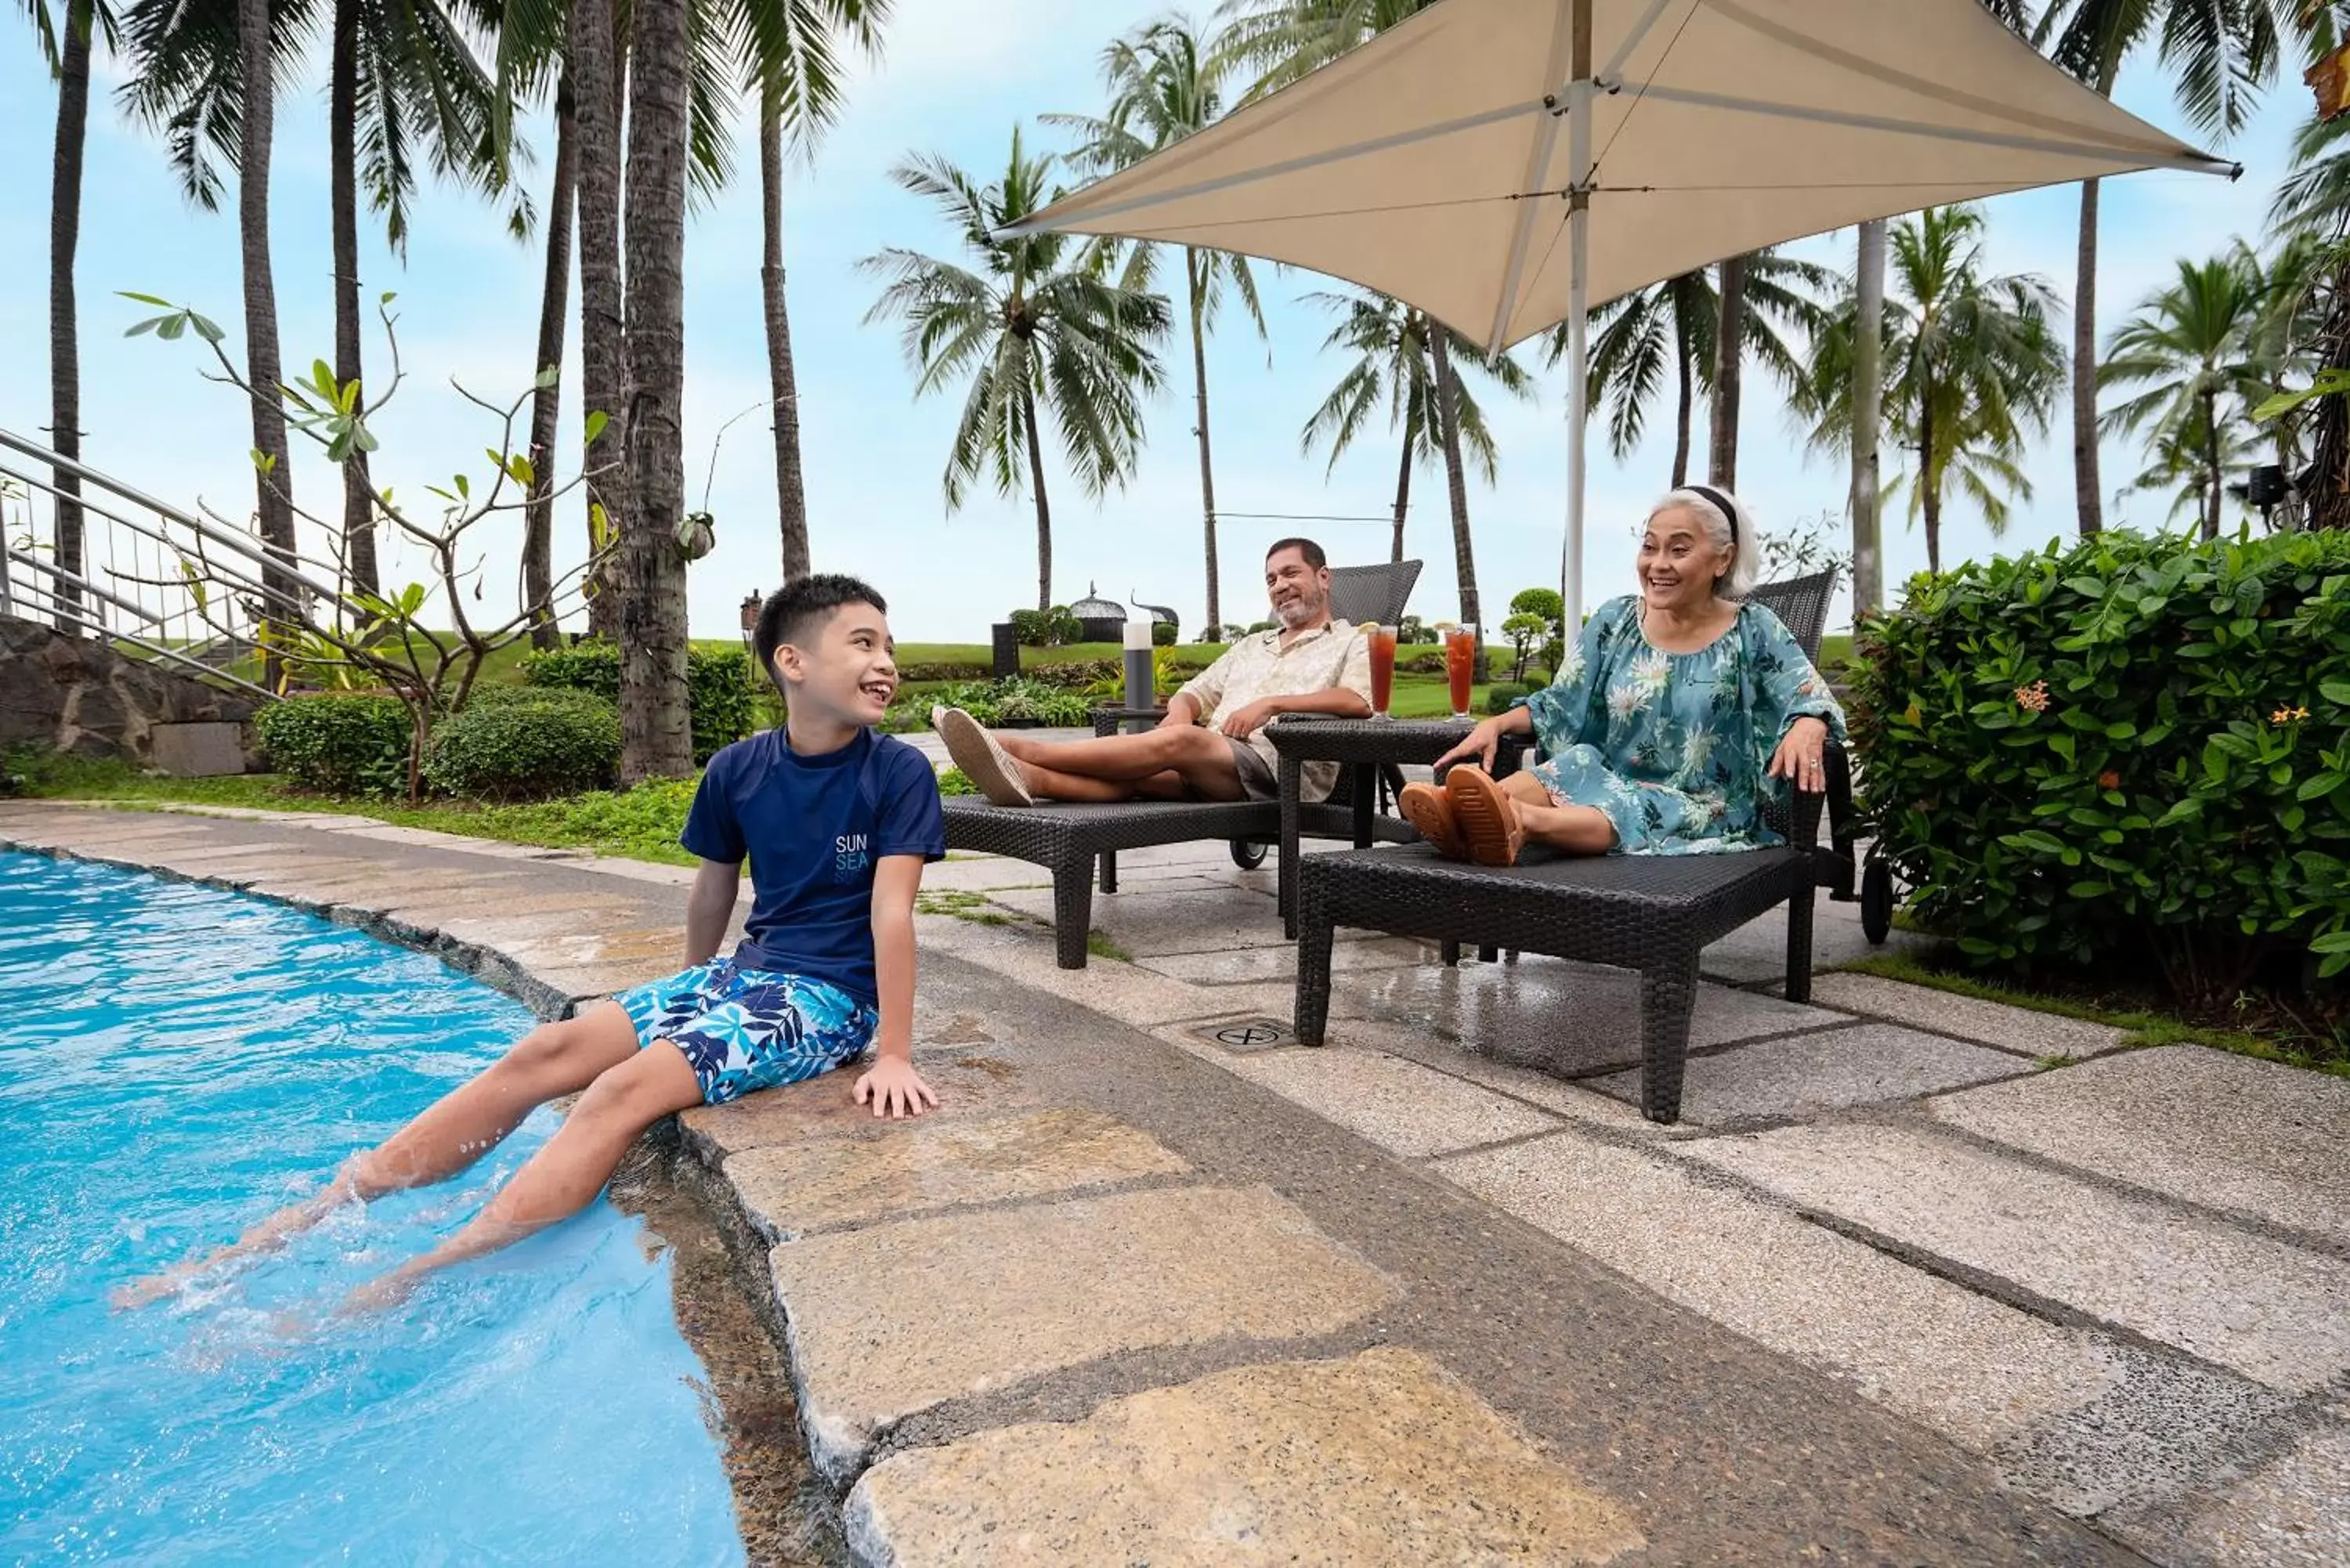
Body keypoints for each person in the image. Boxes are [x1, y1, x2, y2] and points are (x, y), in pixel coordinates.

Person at [118, 575, 944, 1316]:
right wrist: (694, 983)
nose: (886, 663)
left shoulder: (896, 772)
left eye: (890, 646)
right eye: (863, 642)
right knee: (547, 1046)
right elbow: (714, 888)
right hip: (741, 977)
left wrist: (894, 1053)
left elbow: (891, 916)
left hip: (829, 998)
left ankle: (427, 1270)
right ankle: (321, 1209)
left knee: (618, 1091)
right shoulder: (739, 768)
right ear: (793, 661)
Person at [1405, 486, 1844, 866]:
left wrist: (1810, 721)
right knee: (1574, 764)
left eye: (1679, 549)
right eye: (1650, 547)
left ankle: (1518, 821)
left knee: (1635, 802)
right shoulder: (1616, 620)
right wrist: (1497, 723)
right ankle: (1464, 812)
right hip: (1606, 778)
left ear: (1722, 560)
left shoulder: (1754, 629)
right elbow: (1562, 702)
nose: (1658, 564)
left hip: (1700, 805)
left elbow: (1809, 694)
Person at [934, 538, 1373, 807]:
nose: (1279, 586)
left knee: (1179, 741)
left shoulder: (1353, 641)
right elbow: (1192, 694)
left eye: (1290, 573)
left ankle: (1017, 748)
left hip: (1279, 768)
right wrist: (1180, 714)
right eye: (1271, 579)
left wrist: (1271, 704)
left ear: (1323, 577)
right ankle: (1029, 778)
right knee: (1134, 776)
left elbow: (1361, 702)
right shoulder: (1250, 646)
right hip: (1207, 763)